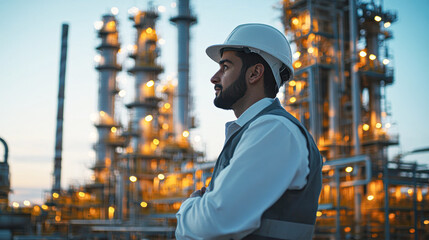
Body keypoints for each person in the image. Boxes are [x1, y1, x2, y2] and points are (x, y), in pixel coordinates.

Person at [175, 23, 323, 240]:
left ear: (255, 73)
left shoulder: (274, 130)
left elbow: (213, 223)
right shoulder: (255, 131)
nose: (214, 78)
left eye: (225, 67)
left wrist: (188, 207)